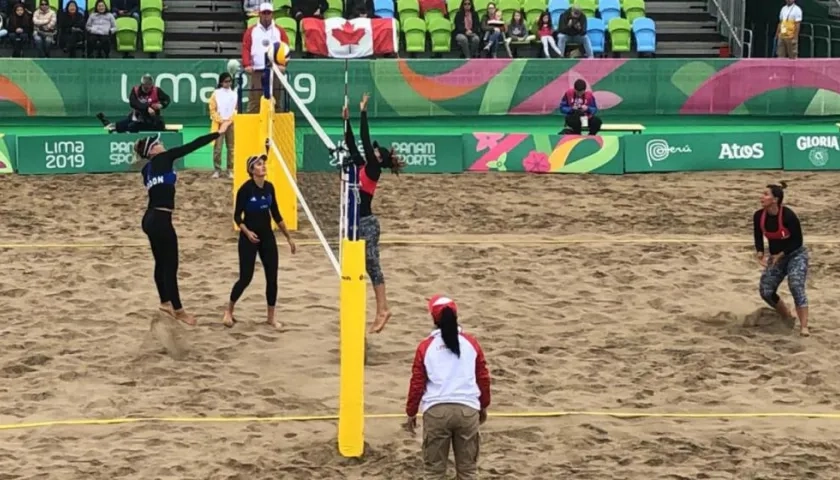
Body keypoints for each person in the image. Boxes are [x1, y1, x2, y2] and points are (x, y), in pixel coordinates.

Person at [135, 125, 232, 326]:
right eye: (158, 143)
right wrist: (218, 133)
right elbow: (192, 146)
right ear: (152, 150)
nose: (162, 144)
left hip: (149, 218)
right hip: (161, 219)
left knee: (160, 263)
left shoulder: (146, 169)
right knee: (170, 266)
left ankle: (164, 302)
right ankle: (179, 311)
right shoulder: (164, 158)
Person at [404, 295, 491, 480]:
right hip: (467, 410)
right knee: (468, 471)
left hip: (436, 412)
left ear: (433, 318)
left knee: (434, 472)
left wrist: (411, 412)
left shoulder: (426, 346)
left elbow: (417, 383)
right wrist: (483, 405)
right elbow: (483, 377)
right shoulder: (471, 343)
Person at [342, 93, 405, 333]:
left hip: (367, 223)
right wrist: (346, 120)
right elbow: (351, 143)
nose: (373, 152)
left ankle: (383, 309)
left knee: (374, 267)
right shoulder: (362, 165)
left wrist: (363, 111)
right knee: (367, 268)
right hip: (357, 222)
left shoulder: (373, 169)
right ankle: (378, 310)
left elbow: (365, 141)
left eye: (378, 153)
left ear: (380, 160)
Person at [223, 155, 297, 329]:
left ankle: (271, 317)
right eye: (258, 164)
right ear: (251, 170)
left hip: (267, 237)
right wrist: (247, 232)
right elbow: (236, 216)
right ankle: (229, 311)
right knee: (245, 278)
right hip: (249, 238)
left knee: (272, 278)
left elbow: (276, 215)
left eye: (263, 163)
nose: (263, 166)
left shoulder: (269, 188)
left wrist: (288, 237)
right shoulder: (245, 190)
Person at [754, 181, 810, 337]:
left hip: (795, 254)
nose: (761, 197)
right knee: (766, 290)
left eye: (765, 194)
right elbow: (758, 236)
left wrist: (781, 254)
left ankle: (804, 327)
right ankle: (787, 315)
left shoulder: (788, 215)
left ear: (775, 199)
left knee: (796, 285)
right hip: (776, 257)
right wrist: (760, 253)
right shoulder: (759, 216)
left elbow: (798, 241)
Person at [241, 2, 290, 113]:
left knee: (276, 101)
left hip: (275, 71)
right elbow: (246, 48)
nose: (266, 15)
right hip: (257, 70)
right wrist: (247, 64)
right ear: (259, 14)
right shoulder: (251, 31)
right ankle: (252, 129)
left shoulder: (279, 31)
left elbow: (286, 49)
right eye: (264, 13)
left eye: (268, 13)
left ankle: (277, 128)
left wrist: (283, 65)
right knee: (254, 102)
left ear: (272, 14)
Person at [97, 74, 172, 134]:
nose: (148, 89)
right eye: (146, 88)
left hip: (153, 119)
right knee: (123, 126)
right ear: (142, 84)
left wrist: (162, 105)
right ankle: (110, 125)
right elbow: (134, 103)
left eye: (150, 87)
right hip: (138, 117)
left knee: (160, 125)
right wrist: (147, 108)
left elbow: (167, 99)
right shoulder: (135, 90)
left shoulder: (157, 90)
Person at [209, 72, 237, 179]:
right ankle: (217, 169)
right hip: (219, 124)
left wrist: (229, 121)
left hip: (231, 123)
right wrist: (220, 120)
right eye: (226, 81)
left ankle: (230, 169)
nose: (228, 83)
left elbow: (236, 109)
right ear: (221, 82)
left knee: (231, 148)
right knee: (218, 148)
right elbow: (212, 109)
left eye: (230, 81)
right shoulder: (215, 93)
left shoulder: (234, 94)